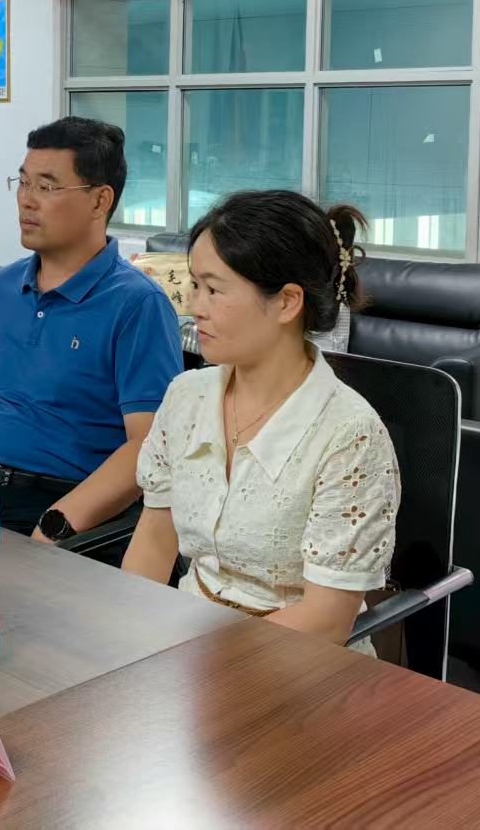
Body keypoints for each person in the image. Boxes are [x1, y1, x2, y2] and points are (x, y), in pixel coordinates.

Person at [121, 190, 400, 652]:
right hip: (185, 643)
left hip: (295, 663)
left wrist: (194, 664)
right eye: (195, 286)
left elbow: (327, 620)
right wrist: (127, 646)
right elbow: (154, 539)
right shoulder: (186, 396)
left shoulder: (350, 435)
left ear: (287, 302)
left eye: (214, 290)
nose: (196, 307)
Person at [0, 118, 183, 541]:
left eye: (47, 186)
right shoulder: (5, 285)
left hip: (59, 505)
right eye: (23, 183)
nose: (26, 200)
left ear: (99, 200)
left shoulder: (137, 303)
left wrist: (54, 526)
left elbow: (150, 446)